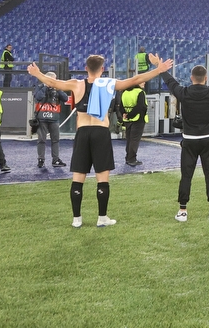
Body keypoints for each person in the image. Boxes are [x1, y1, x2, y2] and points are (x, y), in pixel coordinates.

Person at [27, 54, 171, 227]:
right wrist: (159, 69)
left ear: (86, 68)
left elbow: (53, 83)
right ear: (102, 69)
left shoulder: (76, 84)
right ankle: (102, 218)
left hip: (82, 133)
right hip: (101, 132)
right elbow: (137, 79)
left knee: (78, 177)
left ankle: (76, 220)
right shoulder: (108, 83)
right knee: (102, 178)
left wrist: (37, 73)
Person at [153, 55, 209, 223]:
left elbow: (170, 81)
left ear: (191, 78)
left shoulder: (184, 93)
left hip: (190, 141)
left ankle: (182, 211)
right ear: (206, 78)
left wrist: (159, 65)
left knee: (186, 175)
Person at [34, 72, 68, 168]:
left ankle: (55, 159)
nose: (55, 81)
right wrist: (45, 86)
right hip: (42, 118)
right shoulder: (40, 87)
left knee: (55, 140)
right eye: (53, 79)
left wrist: (58, 89)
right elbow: (38, 97)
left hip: (54, 118)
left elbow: (65, 98)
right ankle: (41, 159)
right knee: (41, 139)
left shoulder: (57, 88)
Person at [120, 82, 148, 166]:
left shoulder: (124, 92)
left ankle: (128, 157)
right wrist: (131, 114)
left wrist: (126, 115)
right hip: (138, 119)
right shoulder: (140, 92)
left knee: (129, 139)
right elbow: (141, 107)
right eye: (142, 82)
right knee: (134, 140)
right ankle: (132, 159)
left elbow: (121, 107)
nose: (144, 83)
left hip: (127, 120)